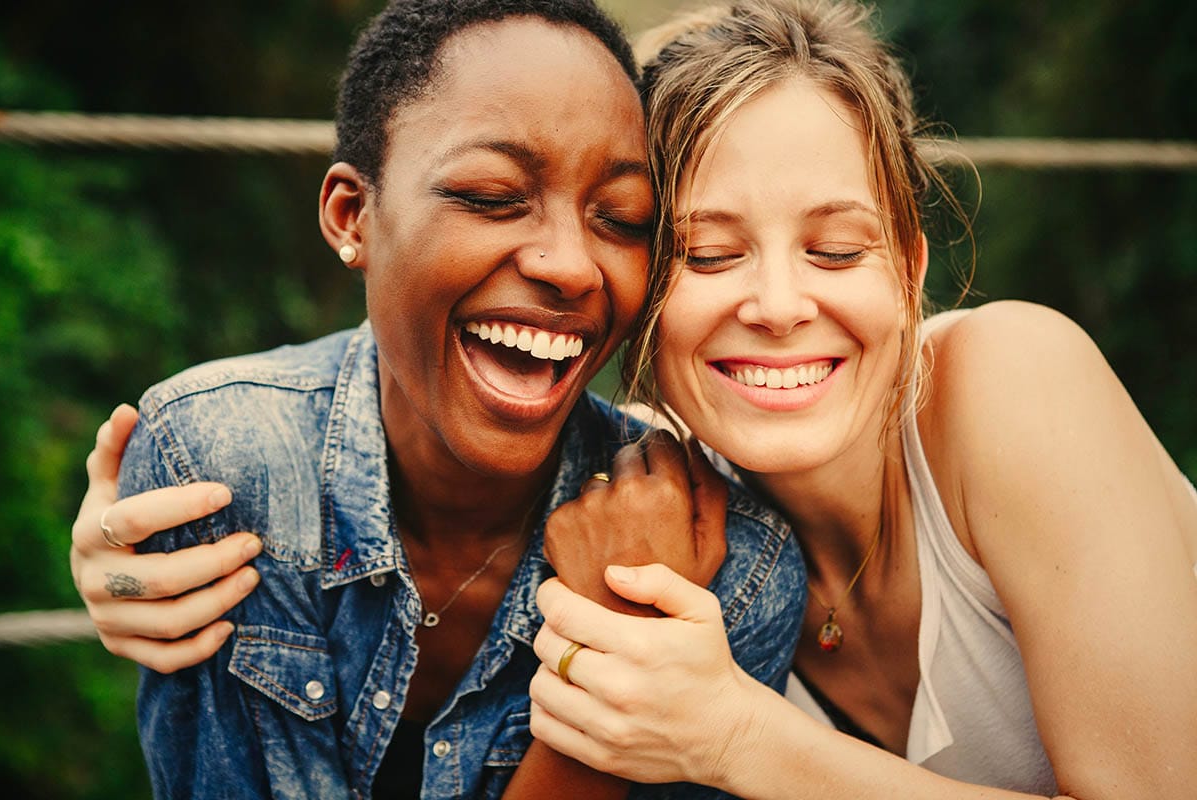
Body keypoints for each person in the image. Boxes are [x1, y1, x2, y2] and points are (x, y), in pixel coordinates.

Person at [68, 1, 805, 798]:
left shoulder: (730, 576)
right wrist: (609, 673)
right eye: (492, 196)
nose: (571, 265)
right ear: (352, 216)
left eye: (620, 218)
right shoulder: (224, 470)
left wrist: (630, 639)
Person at [524, 1, 1197, 798]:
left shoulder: (1015, 377)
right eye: (707, 255)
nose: (778, 305)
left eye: (837, 251)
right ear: (639, 296)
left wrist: (738, 738)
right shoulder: (658, 504)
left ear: (910, 270)